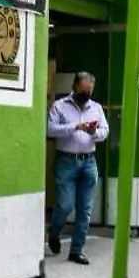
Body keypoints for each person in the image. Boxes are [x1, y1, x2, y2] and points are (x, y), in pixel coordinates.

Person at [45, 72, 109, 265]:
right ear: (74, 87)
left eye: (89, 92)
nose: (85, 95)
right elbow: (50, 129)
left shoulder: (96, 108)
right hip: (66, 161)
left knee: (85, 210)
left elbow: (105, 131)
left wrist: (94, 132)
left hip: (88, 161)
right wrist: (75, 126)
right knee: (65, 205)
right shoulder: (59, 106)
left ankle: (76, 250)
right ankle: (54, 233)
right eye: (83, 91)